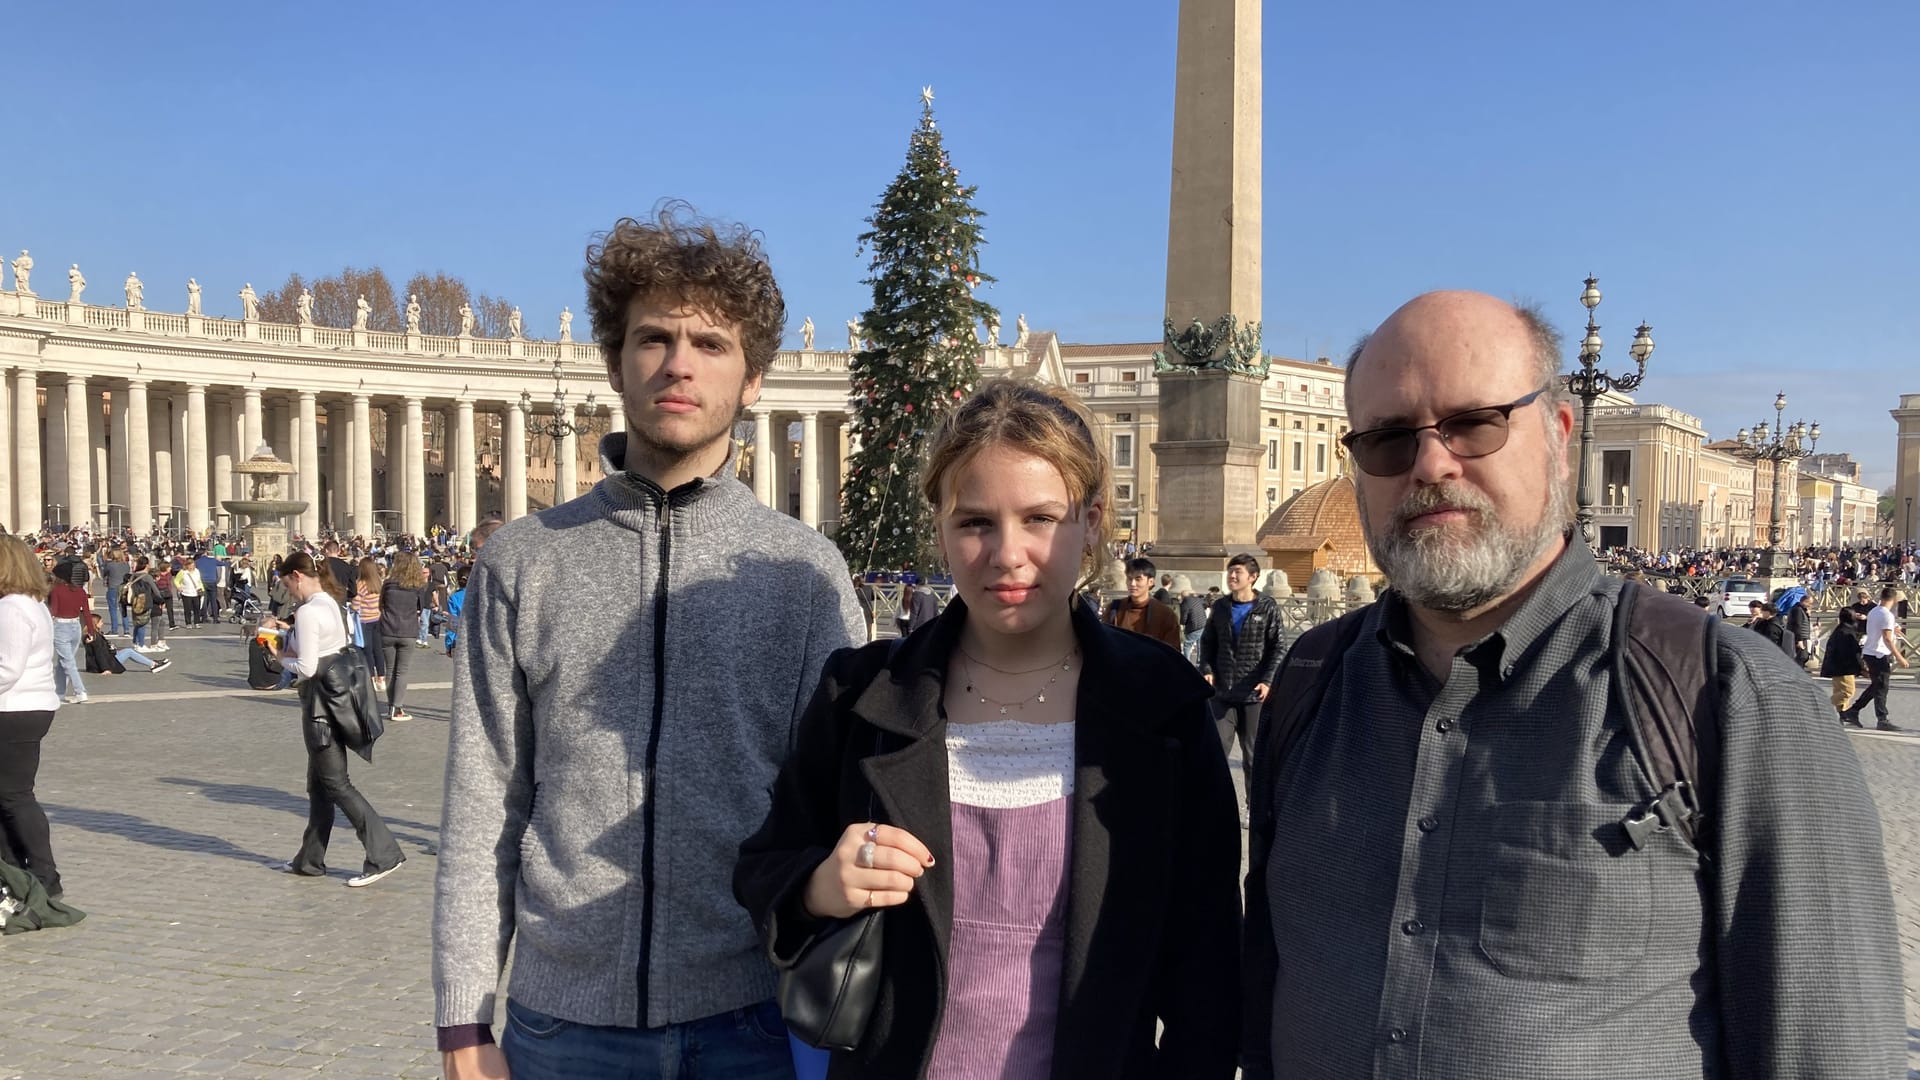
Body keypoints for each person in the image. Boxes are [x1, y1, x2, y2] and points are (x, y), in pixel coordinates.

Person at [1242, 290, 1902, 1078]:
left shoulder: (1728, 695)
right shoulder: (1314, 684)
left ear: (1559, 435)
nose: (1430, 463)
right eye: (1388, 439)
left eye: (1473, 423)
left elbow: (1826, 1051)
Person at [433, 205, 864, 1080]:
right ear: (615, 361)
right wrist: (461, 1019)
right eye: (654, 338)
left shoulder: (805, 574)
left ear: (753, 381)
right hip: (562, 1023)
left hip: (750, 1017)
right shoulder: (525, 559)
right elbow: (484, 803)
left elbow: (841, 800)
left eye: (710, 343)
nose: (678, 363)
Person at [735, 379, 1238, 1078]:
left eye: (1040, 519)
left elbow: (1207, 961)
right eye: (975, 522)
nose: (1007, 553)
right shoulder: (859, 694)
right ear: (939, 525)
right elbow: (764, 867)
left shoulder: (1164, 704)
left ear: (1092, 524)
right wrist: (822, 884)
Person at [265, 551, 404, 887]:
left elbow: (308, 666)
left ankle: (384, 852)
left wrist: (280, 656)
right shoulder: (328, 601)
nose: (289, 592)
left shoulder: (310, 610)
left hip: (320, 708)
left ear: (297, 576)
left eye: (287, 584)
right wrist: (287, 630)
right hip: (338, 697)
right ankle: (309, 859)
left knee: (336, 784)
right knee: (319, 786)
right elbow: (328, 643)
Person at [0, 535, 67, 900]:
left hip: (13, 707)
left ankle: (42, 875)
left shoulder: (11, 607)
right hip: (30, 705)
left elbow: (7, 668)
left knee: (14, 797)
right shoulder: (32, 603)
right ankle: (16, 872)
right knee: (10, 796)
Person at [1198, 551, 1282, 813]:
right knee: (1216, 752)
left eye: (1238, 572)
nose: (1232, 576)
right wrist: (1207, 669)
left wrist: (1268, 680)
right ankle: (1213, 805)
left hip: (1254, 694)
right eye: (1230, 572)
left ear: (1253, 578)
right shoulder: (1221, 606)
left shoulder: (1267, 607)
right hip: (1222, 692)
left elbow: (1277, 647)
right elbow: (1208, 641)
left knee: (1253, 756)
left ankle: (1253, 807)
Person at [1839, 586, 1908, 732]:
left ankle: (1853, 711)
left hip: (1870, 652)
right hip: (1879, 653)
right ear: (1894, 600)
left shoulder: (1874, 611)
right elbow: (1887, 639)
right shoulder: (1887, 615)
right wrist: (1899, 656)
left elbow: (1881, 631)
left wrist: (1892, 630)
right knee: (1881, 687)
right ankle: (1881, 719)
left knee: (1877, 685)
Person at [377, 551, 430, 721]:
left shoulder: (388, 583)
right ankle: (397, 708)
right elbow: (422, 609)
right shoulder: (418, 586)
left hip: (387, 629)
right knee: (402, 670)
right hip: (408, 630)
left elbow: (381, 605)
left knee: (390, 669)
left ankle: (391, 705)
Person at [1104, 555, 1183, 649]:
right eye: (1129, 578)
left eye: (1138, 579)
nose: (1132, 584)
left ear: (1151, 582)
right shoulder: (1114, 609)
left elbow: (1172, 656)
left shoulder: (1166, 615)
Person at [1821, 594, 1868, 721]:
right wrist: (1861, 668)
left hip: (1836, 666)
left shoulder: (1840, 629)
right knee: (1848, 691)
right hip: (1843, 667)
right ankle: (1823, 705)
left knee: (1840, 691)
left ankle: (1843, 714)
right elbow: (1853, 652)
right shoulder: (1846, 632)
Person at [350, 557, 386, 693]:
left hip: (365, 620)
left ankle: (371, 677)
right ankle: (381, 679)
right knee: (378, 650)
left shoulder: (361, 584)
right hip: (377, 618)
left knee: (368, 651)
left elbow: (356, 603)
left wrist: (352, 608)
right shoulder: (378, 583)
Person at [127, 557, 165, 651]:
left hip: (135, 600)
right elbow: (155, 591)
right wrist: (161, 600)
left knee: (137, 622)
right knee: (142, 623)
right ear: (147, 565)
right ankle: (141, 644)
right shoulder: (147, 577)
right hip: (144, 601)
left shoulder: (133, 575)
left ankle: (135, 642)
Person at [1177, 574, 1208, 664]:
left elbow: (1184, 618)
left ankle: (1187, 662)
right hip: (1203, 623)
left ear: (1182, 597)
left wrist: (1182, 624)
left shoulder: (1185, 603)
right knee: (1199, 644)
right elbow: (1205, 604)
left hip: (1194, 626)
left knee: (1187, 644)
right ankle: (1200, 660)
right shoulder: (1197, 599)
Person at [173, 555, 205, 628]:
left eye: (193, 565)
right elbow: (176, 580)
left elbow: (199, 581)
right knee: (187, 609)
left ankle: (197, 622)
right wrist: (179, 587)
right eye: (190, 565)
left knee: (197, 608)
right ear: (187, 565)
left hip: (196, 592)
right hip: (186, 593)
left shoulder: (197, 571)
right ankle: (188, 623)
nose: (192, 567)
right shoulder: (183, 572)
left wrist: (202, 589)